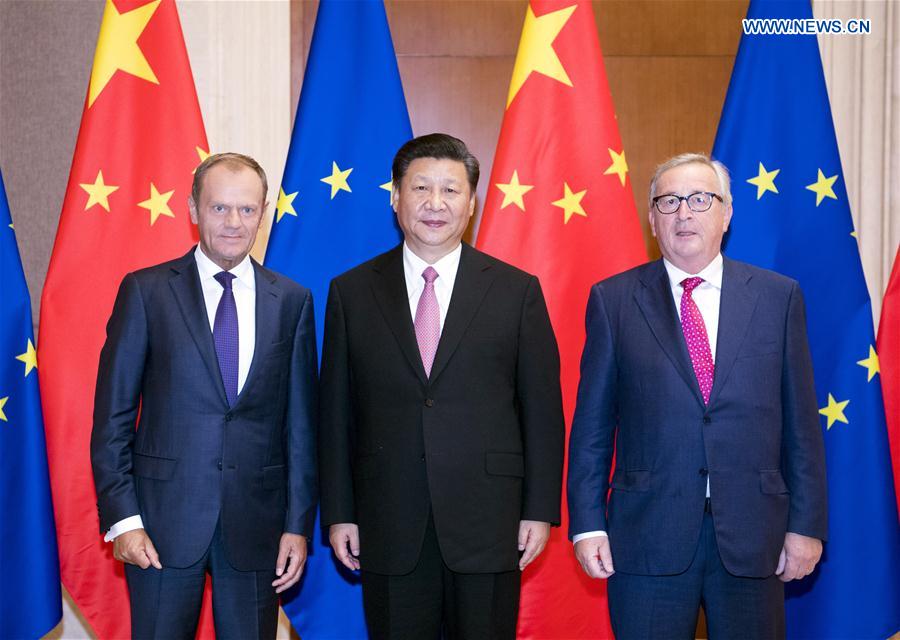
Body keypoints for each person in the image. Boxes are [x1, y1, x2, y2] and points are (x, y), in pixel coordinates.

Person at [567, 153, 828, 639]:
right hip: (646, 536)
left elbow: (801, 427)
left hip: (755, 536)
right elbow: (592, 429)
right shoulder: (614, 300)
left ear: (727, 214)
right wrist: (587, 524)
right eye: (668, 201)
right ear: (652, 218)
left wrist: (806, 524)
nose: (683, 212)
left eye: (700, 199)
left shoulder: (778, 297)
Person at [318, 133, 565, 639]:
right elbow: (336, 415)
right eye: (421, 188)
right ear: (395, 197)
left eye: (451, 191)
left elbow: (542, 411)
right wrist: (340, 512)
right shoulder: (352, 291)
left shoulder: (516, 291)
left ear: (471, 203)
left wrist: (539, 510)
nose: (435, 204)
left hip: (490, 521)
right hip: (387, 518)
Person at [90, 152, 318, 639]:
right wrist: (123, 520)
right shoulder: (146, 292)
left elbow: (300, 426)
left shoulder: (293, 301)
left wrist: (297, 524)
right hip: (159, 527)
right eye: (219, 208)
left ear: (263, 214)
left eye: (247, 210)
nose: (234, 223)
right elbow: (112, 418)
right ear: (193, 209)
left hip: (257, 528)